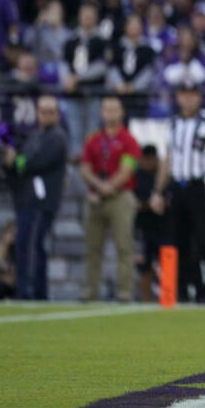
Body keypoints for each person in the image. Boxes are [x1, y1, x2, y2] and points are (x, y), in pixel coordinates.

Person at [157, 80, 205, 303]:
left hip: (199, 186)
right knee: (178, 240)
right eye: (184, 94)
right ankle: (181, 289)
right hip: (178, 186)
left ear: (199, 97)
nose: (188, 99)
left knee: (204, 241)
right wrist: (158, 190)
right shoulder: (173, 124)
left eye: (192, 94)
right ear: (178, 97)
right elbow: (168, 159)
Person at [4, 94, 69, 300]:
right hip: (27, 200)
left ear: (57, 114)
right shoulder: (35, 137)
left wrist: (17, 162)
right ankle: (32, 291)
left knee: (31, 246)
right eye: (43, 111)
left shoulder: (57, 137)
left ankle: (29, 292)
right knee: (27, 246)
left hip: (41, 202)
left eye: (51, 112)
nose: (47, 116)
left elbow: (34, 162)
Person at [79, 96, 141, 302]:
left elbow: (128, 169)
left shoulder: (129, 140)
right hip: (96, 197)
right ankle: (90, 293)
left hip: (120, 196)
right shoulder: (93, 140)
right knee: (92, 249)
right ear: (101, 112)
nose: (111, 113)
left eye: (115, 109)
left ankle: (125, 294)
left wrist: (109, 186)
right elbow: (85, 167)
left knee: (124, 247)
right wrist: (99, 186)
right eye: (107, 109)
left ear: (122, 112)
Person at [132, 144, 164, 304]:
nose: (147, 163)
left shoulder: (162, 176)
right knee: (144, 266)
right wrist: (147, 204)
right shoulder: (137, 176)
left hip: (162, 227)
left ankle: (168, 297)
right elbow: (134, 201)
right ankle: (146, 300)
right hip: (143, 228)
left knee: (164, 265)